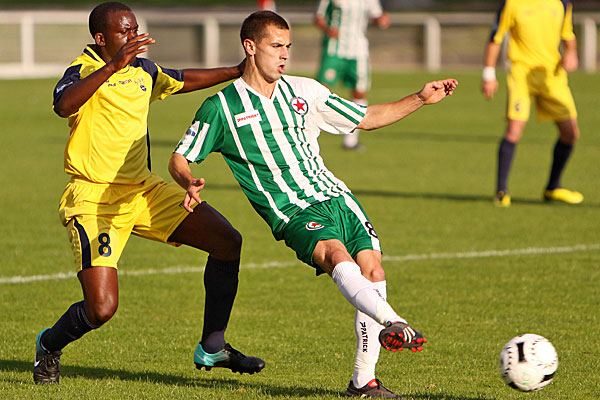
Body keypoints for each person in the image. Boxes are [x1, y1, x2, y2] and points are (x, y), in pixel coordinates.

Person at [169, 11, 457, 398]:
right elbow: (180, 156)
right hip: (292, 210)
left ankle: (363, 382)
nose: (284, 54)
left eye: (288, 46)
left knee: (373, 268)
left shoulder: (304, 90)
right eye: (276, 46)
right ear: (250, 48)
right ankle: (394, 321)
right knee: (336, 255)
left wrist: (421, 98)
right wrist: (189, 181)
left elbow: (367, 118)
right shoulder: (222, 107)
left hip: (336, 196)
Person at [33, 1, 265, 384]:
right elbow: (63, 105)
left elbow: (182, 78)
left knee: (227, 241)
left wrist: (237, 71)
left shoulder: (145, 71)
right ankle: (48, 344)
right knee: (102, 309)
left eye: (135, 28)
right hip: (95, 199)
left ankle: (213, 346)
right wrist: (112, 67)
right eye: (125, 31)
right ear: (100, 38)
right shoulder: (85, 69)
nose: (133, 36)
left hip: (143, 190)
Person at [482, 0, 583, 207]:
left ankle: (553, 188)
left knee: (571, 133)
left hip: (552, 76)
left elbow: (568, 36)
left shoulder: (562, 3)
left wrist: (571, 53)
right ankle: (502, 191)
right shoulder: (512, 3)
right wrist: (488, 74)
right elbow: (496, 37)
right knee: (514, 130)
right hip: (522, 74)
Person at [315, 0, 390, 151]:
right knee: (319, 89)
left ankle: (351, 140)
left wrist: (381, 20)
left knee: (359, 91)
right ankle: (306, 128)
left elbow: (376, 15)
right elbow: (319, 17)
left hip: (358, 51)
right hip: (334, 49)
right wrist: (327, 29)